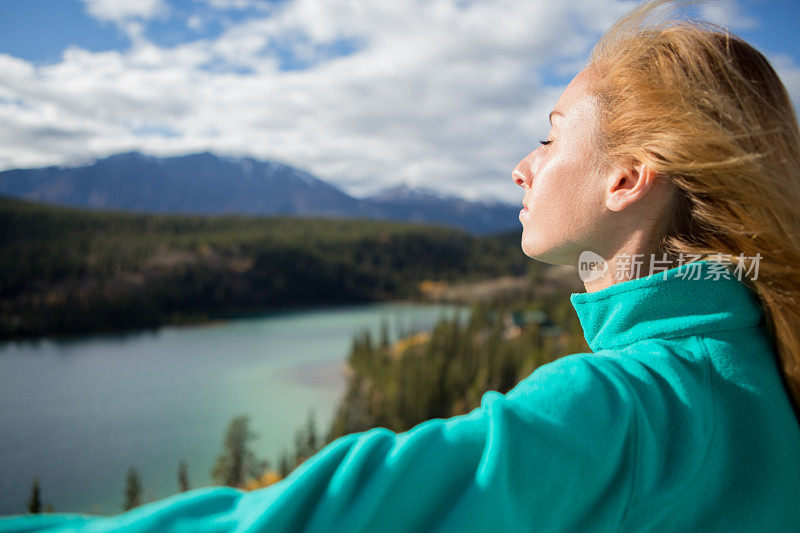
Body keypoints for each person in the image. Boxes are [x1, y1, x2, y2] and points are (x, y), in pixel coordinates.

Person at [3, 0, 800, 530]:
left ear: (628, 178)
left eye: (553, 136)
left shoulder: (620, 408)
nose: (523, 166)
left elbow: (322, 518)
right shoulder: (756, 374)